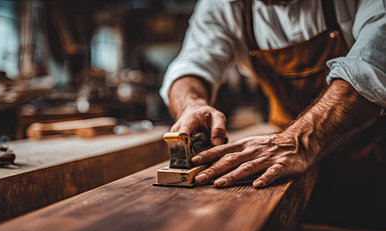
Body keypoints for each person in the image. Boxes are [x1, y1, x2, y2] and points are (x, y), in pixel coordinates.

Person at [160, 0, 386, 189]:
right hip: (282, 162)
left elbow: (372, 68)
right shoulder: (222, 4)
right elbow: (191, 64)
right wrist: (191, 103)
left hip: (372, 153)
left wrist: (298, 142)